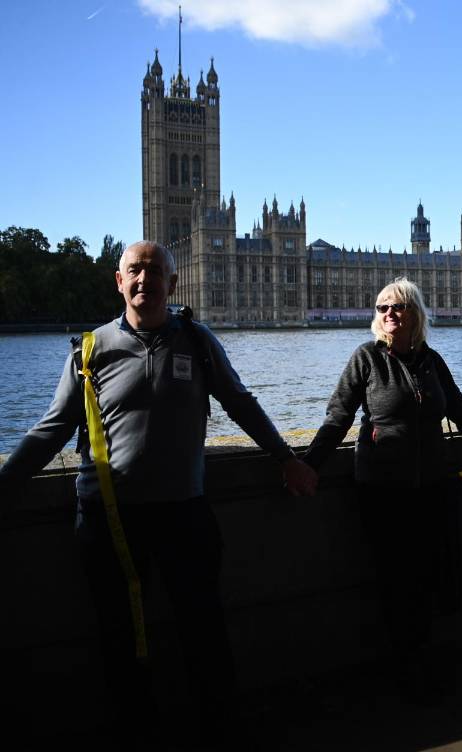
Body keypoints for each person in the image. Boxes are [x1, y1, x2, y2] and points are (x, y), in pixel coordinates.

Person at [0, 241, 317, 746]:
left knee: (204, 631)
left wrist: (287, 457)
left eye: (154, 271)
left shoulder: (196, 338)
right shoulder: (89, 348)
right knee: (120, 637)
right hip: (108, 518)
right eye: (134, 271)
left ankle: (219, 727)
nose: (144, 279)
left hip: (183, 514)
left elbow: (240, 403)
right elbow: (51, 428)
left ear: (173, 283)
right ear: (119, 281)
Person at [302, 277, 462, 698]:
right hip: (383, 489)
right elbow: (337, 417)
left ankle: (423, 656)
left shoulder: (432, 360)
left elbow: (461, 410)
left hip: (432, 486)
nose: (389, 314)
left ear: (416, 313)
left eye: (398, 307)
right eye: (382, 308)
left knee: (431, 574)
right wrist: (307, 466)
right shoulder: (366, 359)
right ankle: (404, 666)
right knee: (396, 580)